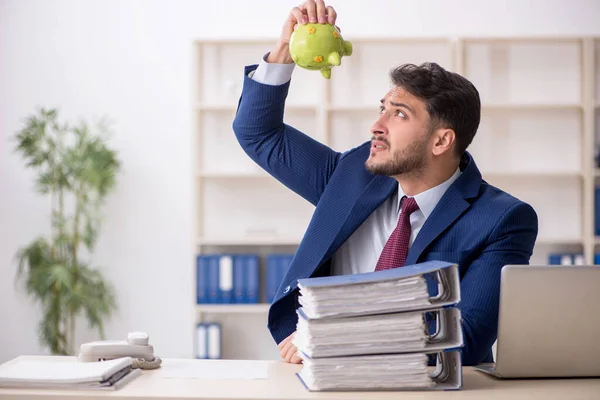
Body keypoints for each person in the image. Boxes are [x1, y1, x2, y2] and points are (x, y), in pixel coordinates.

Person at [232, 0, 538, 366]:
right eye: (383, 108)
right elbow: (258, 133)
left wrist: (330, 332)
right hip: (325, 378)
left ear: (442, 141)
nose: (377, 125)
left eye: (399, 114)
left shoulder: (502, 220)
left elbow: (466, 336)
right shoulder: (350, 176)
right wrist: (285, 48)